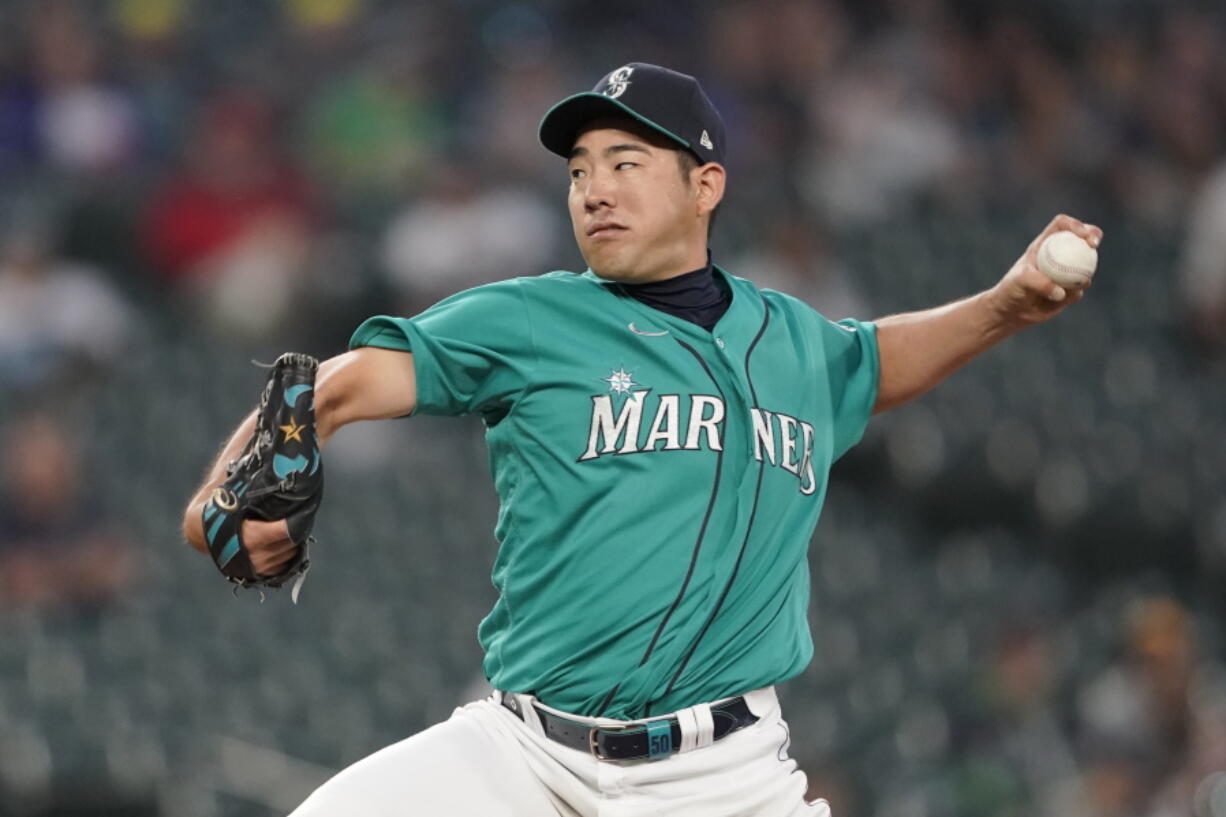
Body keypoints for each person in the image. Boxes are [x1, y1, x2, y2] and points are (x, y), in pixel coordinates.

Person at [182, 63, 1102, 816]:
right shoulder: (530, 317)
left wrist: (1005, 306)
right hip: (522, 757)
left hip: (725, 780)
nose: (594, 190)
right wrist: (218, 498)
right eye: (579, 169)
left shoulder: (795, 342)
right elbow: (328, 386)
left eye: (626, 162)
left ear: (706, 185)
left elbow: (873, 361)